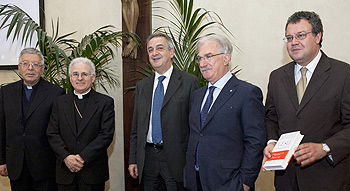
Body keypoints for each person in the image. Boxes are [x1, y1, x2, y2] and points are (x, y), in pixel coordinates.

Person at [262, 11, 350, 191]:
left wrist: (325, 148)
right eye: (289, 37)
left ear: (318, 36)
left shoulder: (343, 74)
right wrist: (271, 142)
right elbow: (271, 118)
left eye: (301, 35)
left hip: (328, 179)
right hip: (286, 179)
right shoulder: (277, 77)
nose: (294, 42)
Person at [184, 34, 266, 191]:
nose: (203, 63)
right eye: (200, 58)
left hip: (229, 183)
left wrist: (245, 182)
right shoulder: (197, 95)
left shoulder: (247, 93)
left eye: (208, 56)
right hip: (195, 181)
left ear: (226, 58)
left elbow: (255, 142)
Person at [128, 33, 199, 190]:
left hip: (176, 159)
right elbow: (136, 128)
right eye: (150, 50)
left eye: (160, 48)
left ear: (171, 52)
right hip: (148, 159)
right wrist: (133, 159)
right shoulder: (142, 86)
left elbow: (195, 127)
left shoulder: (189, 82)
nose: (154, 53)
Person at [0, 48, 65, 191]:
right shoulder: (6, 92)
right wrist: (2, 160)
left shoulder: (56, 93)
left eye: (35, 64)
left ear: (42, 69)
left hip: (45, 165)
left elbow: (60, 130)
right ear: (19, 68)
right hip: (16, 164)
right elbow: (1, 128)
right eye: (25, 63)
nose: (30, 68)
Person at [46, 57, 115, 191]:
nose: (80, 78)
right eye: (75, 74)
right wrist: (66, 157)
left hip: (92, 171)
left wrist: (82, 158)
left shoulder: (105, 102)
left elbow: (105, 135)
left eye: (85, 74)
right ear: (70, 77)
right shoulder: (59, 102)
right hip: (65, 171)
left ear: (93, 77)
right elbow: (52, 133)